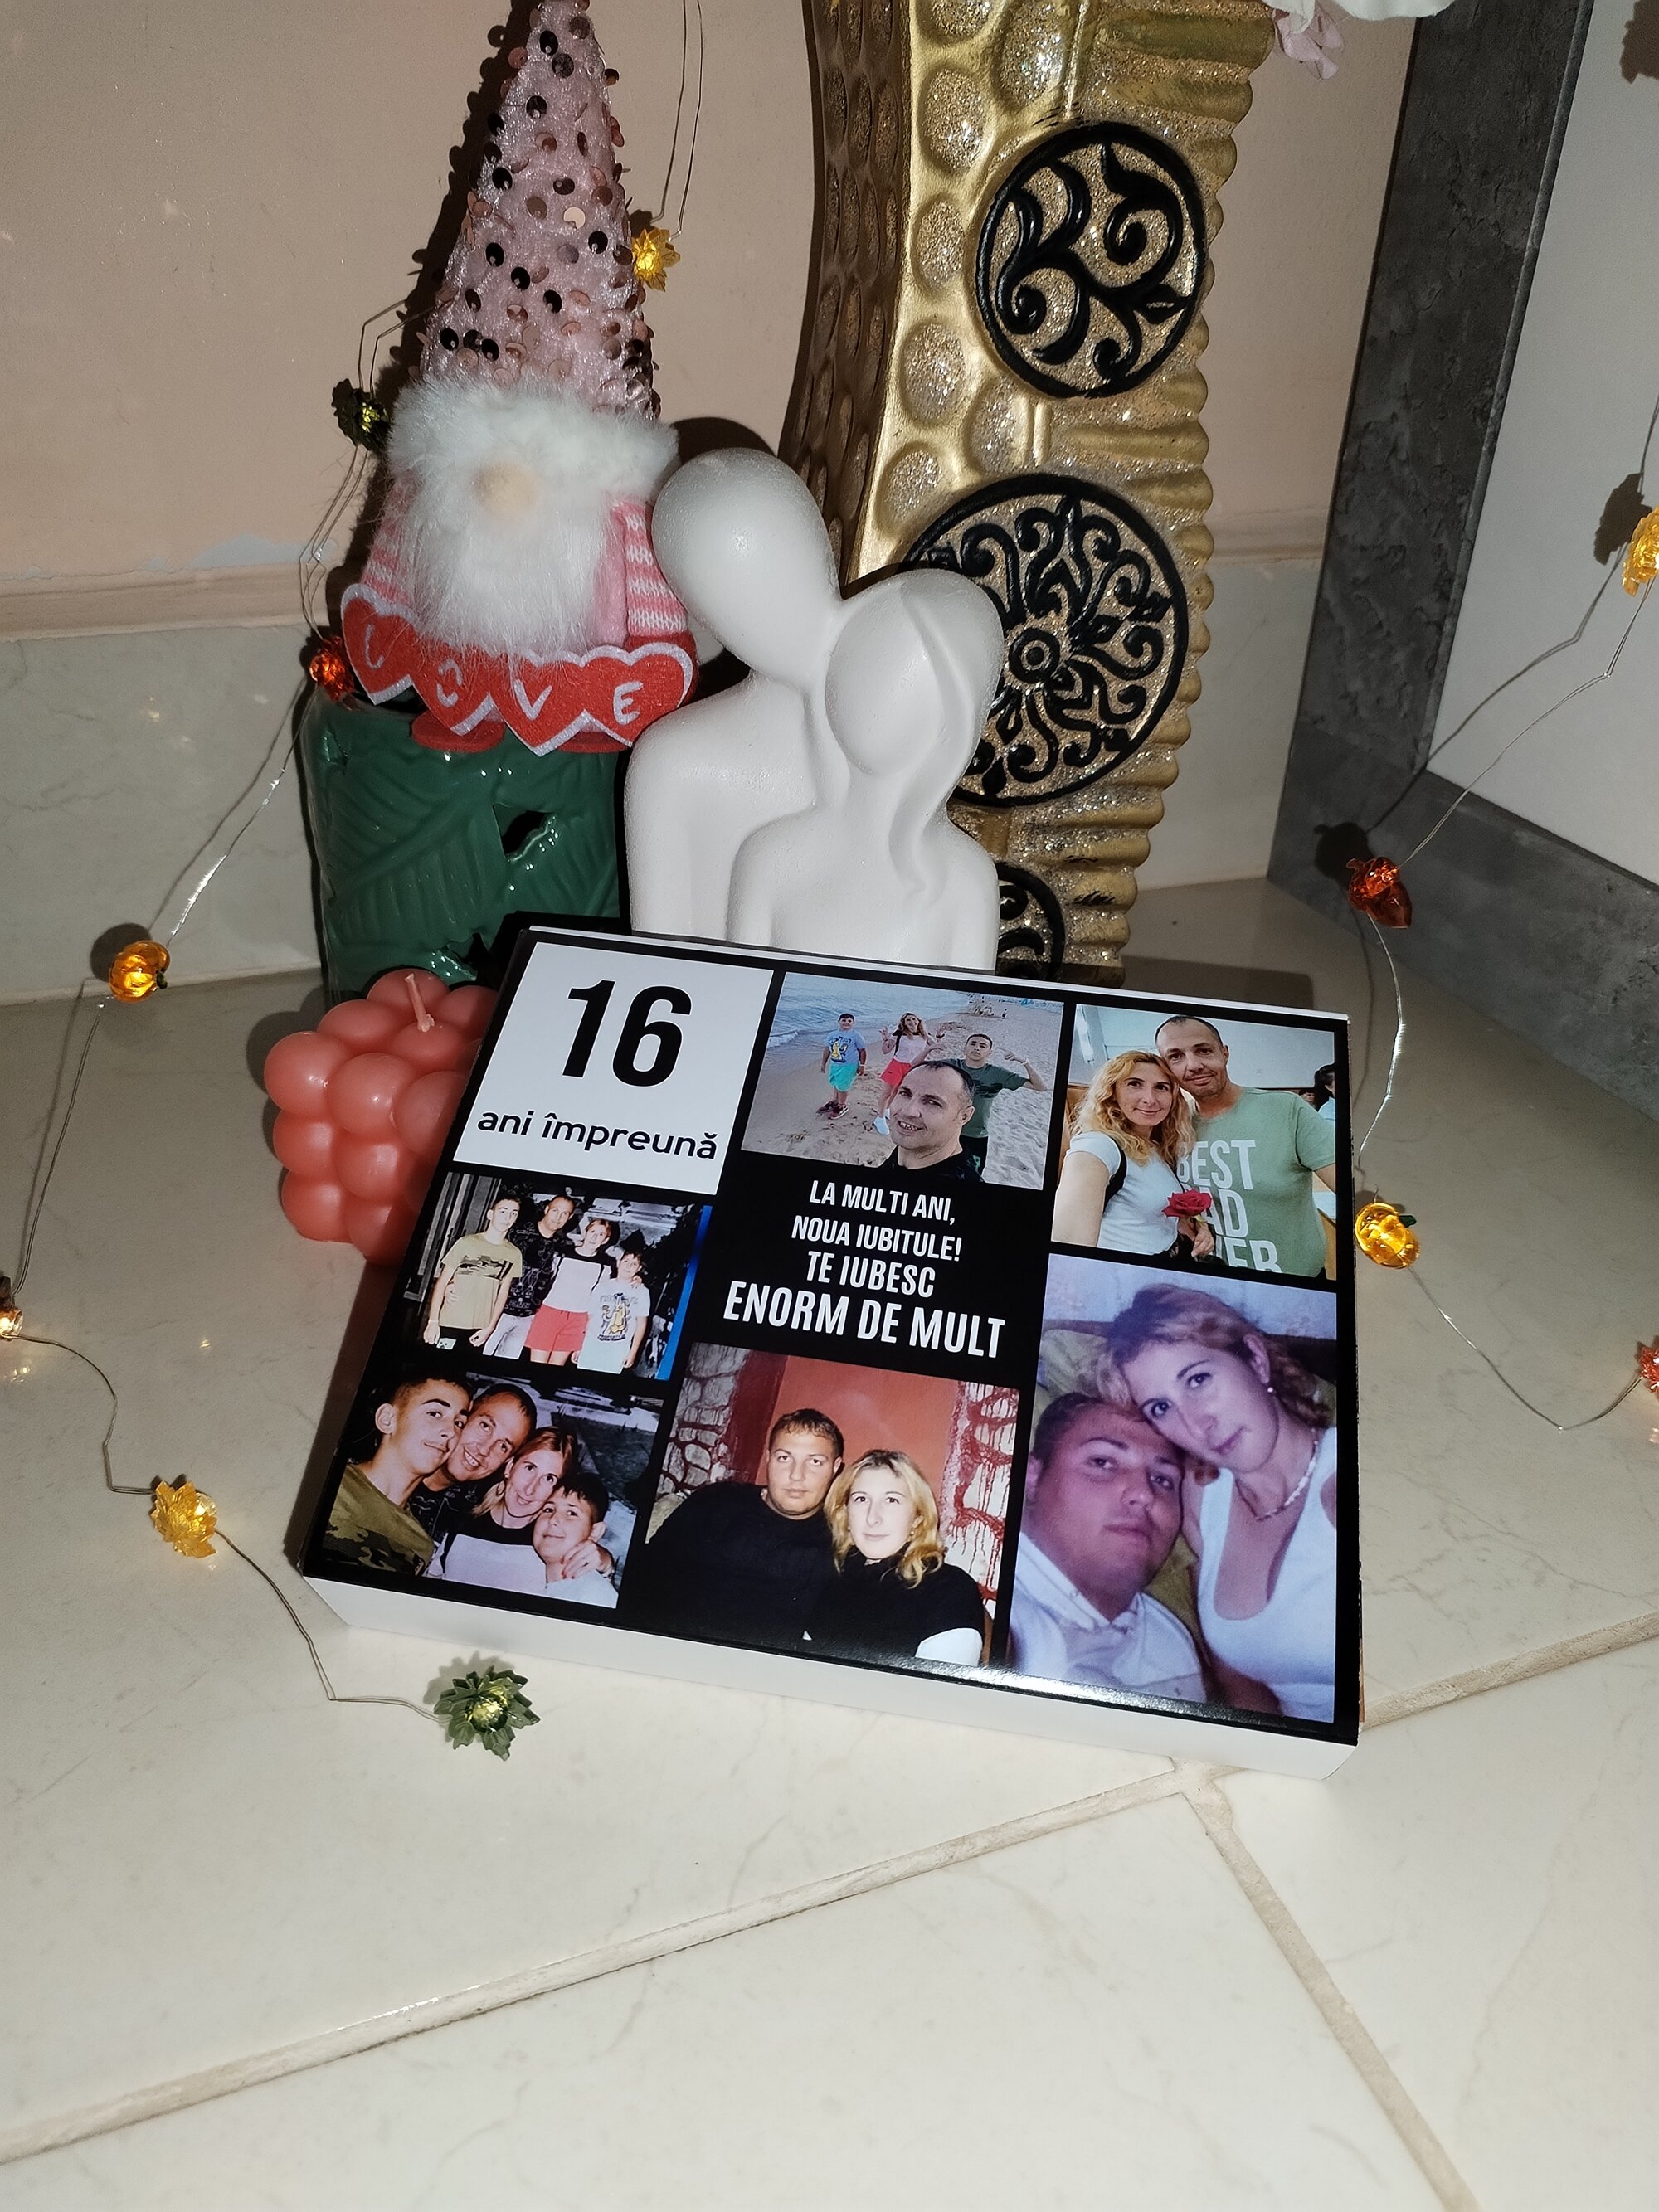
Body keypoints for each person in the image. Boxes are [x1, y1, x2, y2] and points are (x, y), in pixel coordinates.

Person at [1113, 1283, 1338, 1723]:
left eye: (1198, 1380)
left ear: (1255, 1359)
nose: (1197, 1425)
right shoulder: (1202, 1499)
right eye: (1161, 1408)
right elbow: (1238, 1682)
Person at [1008, 1394, 1207, 1703]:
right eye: (1102, 1463)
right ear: (1032, 1477)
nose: (1144, 1494)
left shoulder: (1171, 1643)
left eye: (1163, 1479)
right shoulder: (991, 1607)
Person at [631, 1408, 844, 1645]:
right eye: (784, 1458)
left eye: (815, 1462)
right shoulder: (716, 1502)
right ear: (768, 1458)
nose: (796, 1475)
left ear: (835, 1468)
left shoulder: (841, 1543)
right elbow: (646, 1572)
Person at [1154, 1015, 1337, 1278]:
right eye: (1176, 1057)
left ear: (1224, 1053)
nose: (1193, 1065)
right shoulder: (1171, 1125)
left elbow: (1350, 1187)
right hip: (1213, 1281)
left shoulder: (1286, 1110)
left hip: (1294, 1281)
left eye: (1203, 1051)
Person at [804, 1451, 985, 1665]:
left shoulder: (949, 1589)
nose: (873, 1518)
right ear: (846, 1514)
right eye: (861, 1499)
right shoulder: (832, 1582)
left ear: (917, 1517)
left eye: (891, 1500)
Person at [1052, 1051, 1214, 1261]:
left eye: (1161, 1087)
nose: (1150, 1099)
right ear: (1112, 1092)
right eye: (1135, 1084)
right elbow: (1067, 1243)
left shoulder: (1156, 1146)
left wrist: (1190, 1224)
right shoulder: (1098, 1145)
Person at [319, 1374, 469, 1576]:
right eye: (435, 1413)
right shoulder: (327, 1485)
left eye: (459, 1423)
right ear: (387, 1419)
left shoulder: (420, 1546)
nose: (451, 1432)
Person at [428, 1425, 610, 1591]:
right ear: (510, 1467)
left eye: (549, 1479)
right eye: (529, 1468)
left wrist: (604, 1562)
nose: (530, 1489)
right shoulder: (460, 1524)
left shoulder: (550, 1546)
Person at [405, 1382, 538, 1539]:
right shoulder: (394, 1465)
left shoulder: (474, 1513)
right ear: (467, 1414)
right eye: (485, 1426)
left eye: (503, 1446)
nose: (484, 1450)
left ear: (507, 1461)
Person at [483, 1192, 579, 1359]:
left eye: (565, 1214)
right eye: (555, 1211)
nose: (558, 1217)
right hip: (498, 1311)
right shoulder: (517, 1232)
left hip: (528, 1317)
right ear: (547, 1209)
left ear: (569, 1217)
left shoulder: (563, 1247)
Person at [422, 1194, 523, 1348]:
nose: (507, 1217)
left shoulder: (514, 1253)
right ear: (490, 1214)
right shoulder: (466, 1243)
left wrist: (490, 1328)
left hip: (479, 1328)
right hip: (450, 1320)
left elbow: (503, 1293)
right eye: (503, 1211)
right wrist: (433, 1321)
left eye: (513, 1214)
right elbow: (442, 1282)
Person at [524, 1213, 618, 1365]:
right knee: (537, 1365)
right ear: (585, 1232)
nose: (595, 1237)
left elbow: (602, 1297)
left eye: (601, 1235)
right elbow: (542, 1278)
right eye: (592, 1232)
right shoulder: (562, 1254)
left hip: (578, 1319)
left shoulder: (606, 1265)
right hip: (550, 1312)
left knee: (556, 1367)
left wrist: (637, 1281)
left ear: (605, 1240)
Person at [956, 1032, 1047, 1178]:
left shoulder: (997, 1074)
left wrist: (1024, 1062)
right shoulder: (951, 1066)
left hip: (976, 1135)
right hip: (947, 1131)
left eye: (982, 1046)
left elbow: (1040, 1087)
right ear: (964, 1048)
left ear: (989, 1053)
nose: (977, 1048)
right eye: (973, 1044)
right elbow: (917, 1067)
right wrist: (929, 1049)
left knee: (973, 1175)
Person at [879, 1059, 981, 1183]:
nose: (908, 1111)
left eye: (932, 1102)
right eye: (905, 1094)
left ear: (964, 1116)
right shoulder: (917, 1145)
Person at [528, 1470, 620, 1607]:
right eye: (549, 1510)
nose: (553, 1520)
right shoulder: (529, 1578)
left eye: (571, 1513)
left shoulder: (595, 1596)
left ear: (595, 1532)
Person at [577, 1235, 652, 1373]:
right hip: (591, 1345)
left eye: (634, 1264)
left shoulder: (642, 1292)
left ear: (639, 1268)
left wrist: (633, 1352)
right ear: (618, 1262)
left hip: (618, 1349)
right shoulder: (602, 1286)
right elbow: (589, 1317)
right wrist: (578, 1345)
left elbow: (641, 1325)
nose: (628, 1266)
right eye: (626, 1261)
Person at [877, 1014, 935, 1113]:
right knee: (887, 1093)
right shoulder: (899, 1033)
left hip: (914, 1067)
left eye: (914, 1019)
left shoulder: (924, 1035)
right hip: (898, 1065)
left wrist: (939, 1036)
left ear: (918, 1021)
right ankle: (880, 1117)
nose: (912, 1022)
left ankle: (887, 1111)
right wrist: (885, 1039)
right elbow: (886, 1051)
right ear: (904, 1023)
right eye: (908, 1020)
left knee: (898, 1091)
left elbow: (936, 1047)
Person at [819, 1014, 867, 1119]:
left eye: (849, 1021)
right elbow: (827, 1050)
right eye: (844, 1020)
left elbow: (862, 1051)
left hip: (849, 1065)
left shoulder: (856, 1036)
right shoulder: (832, 1035)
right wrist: (823, 1064)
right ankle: (835, 1101)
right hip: (835, 1064)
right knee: (836, 1083)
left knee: (843, 1086)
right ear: (839, 1022)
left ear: (853, 1023)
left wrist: (862, 1065)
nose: (846, 1023)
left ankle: (842, 1106)